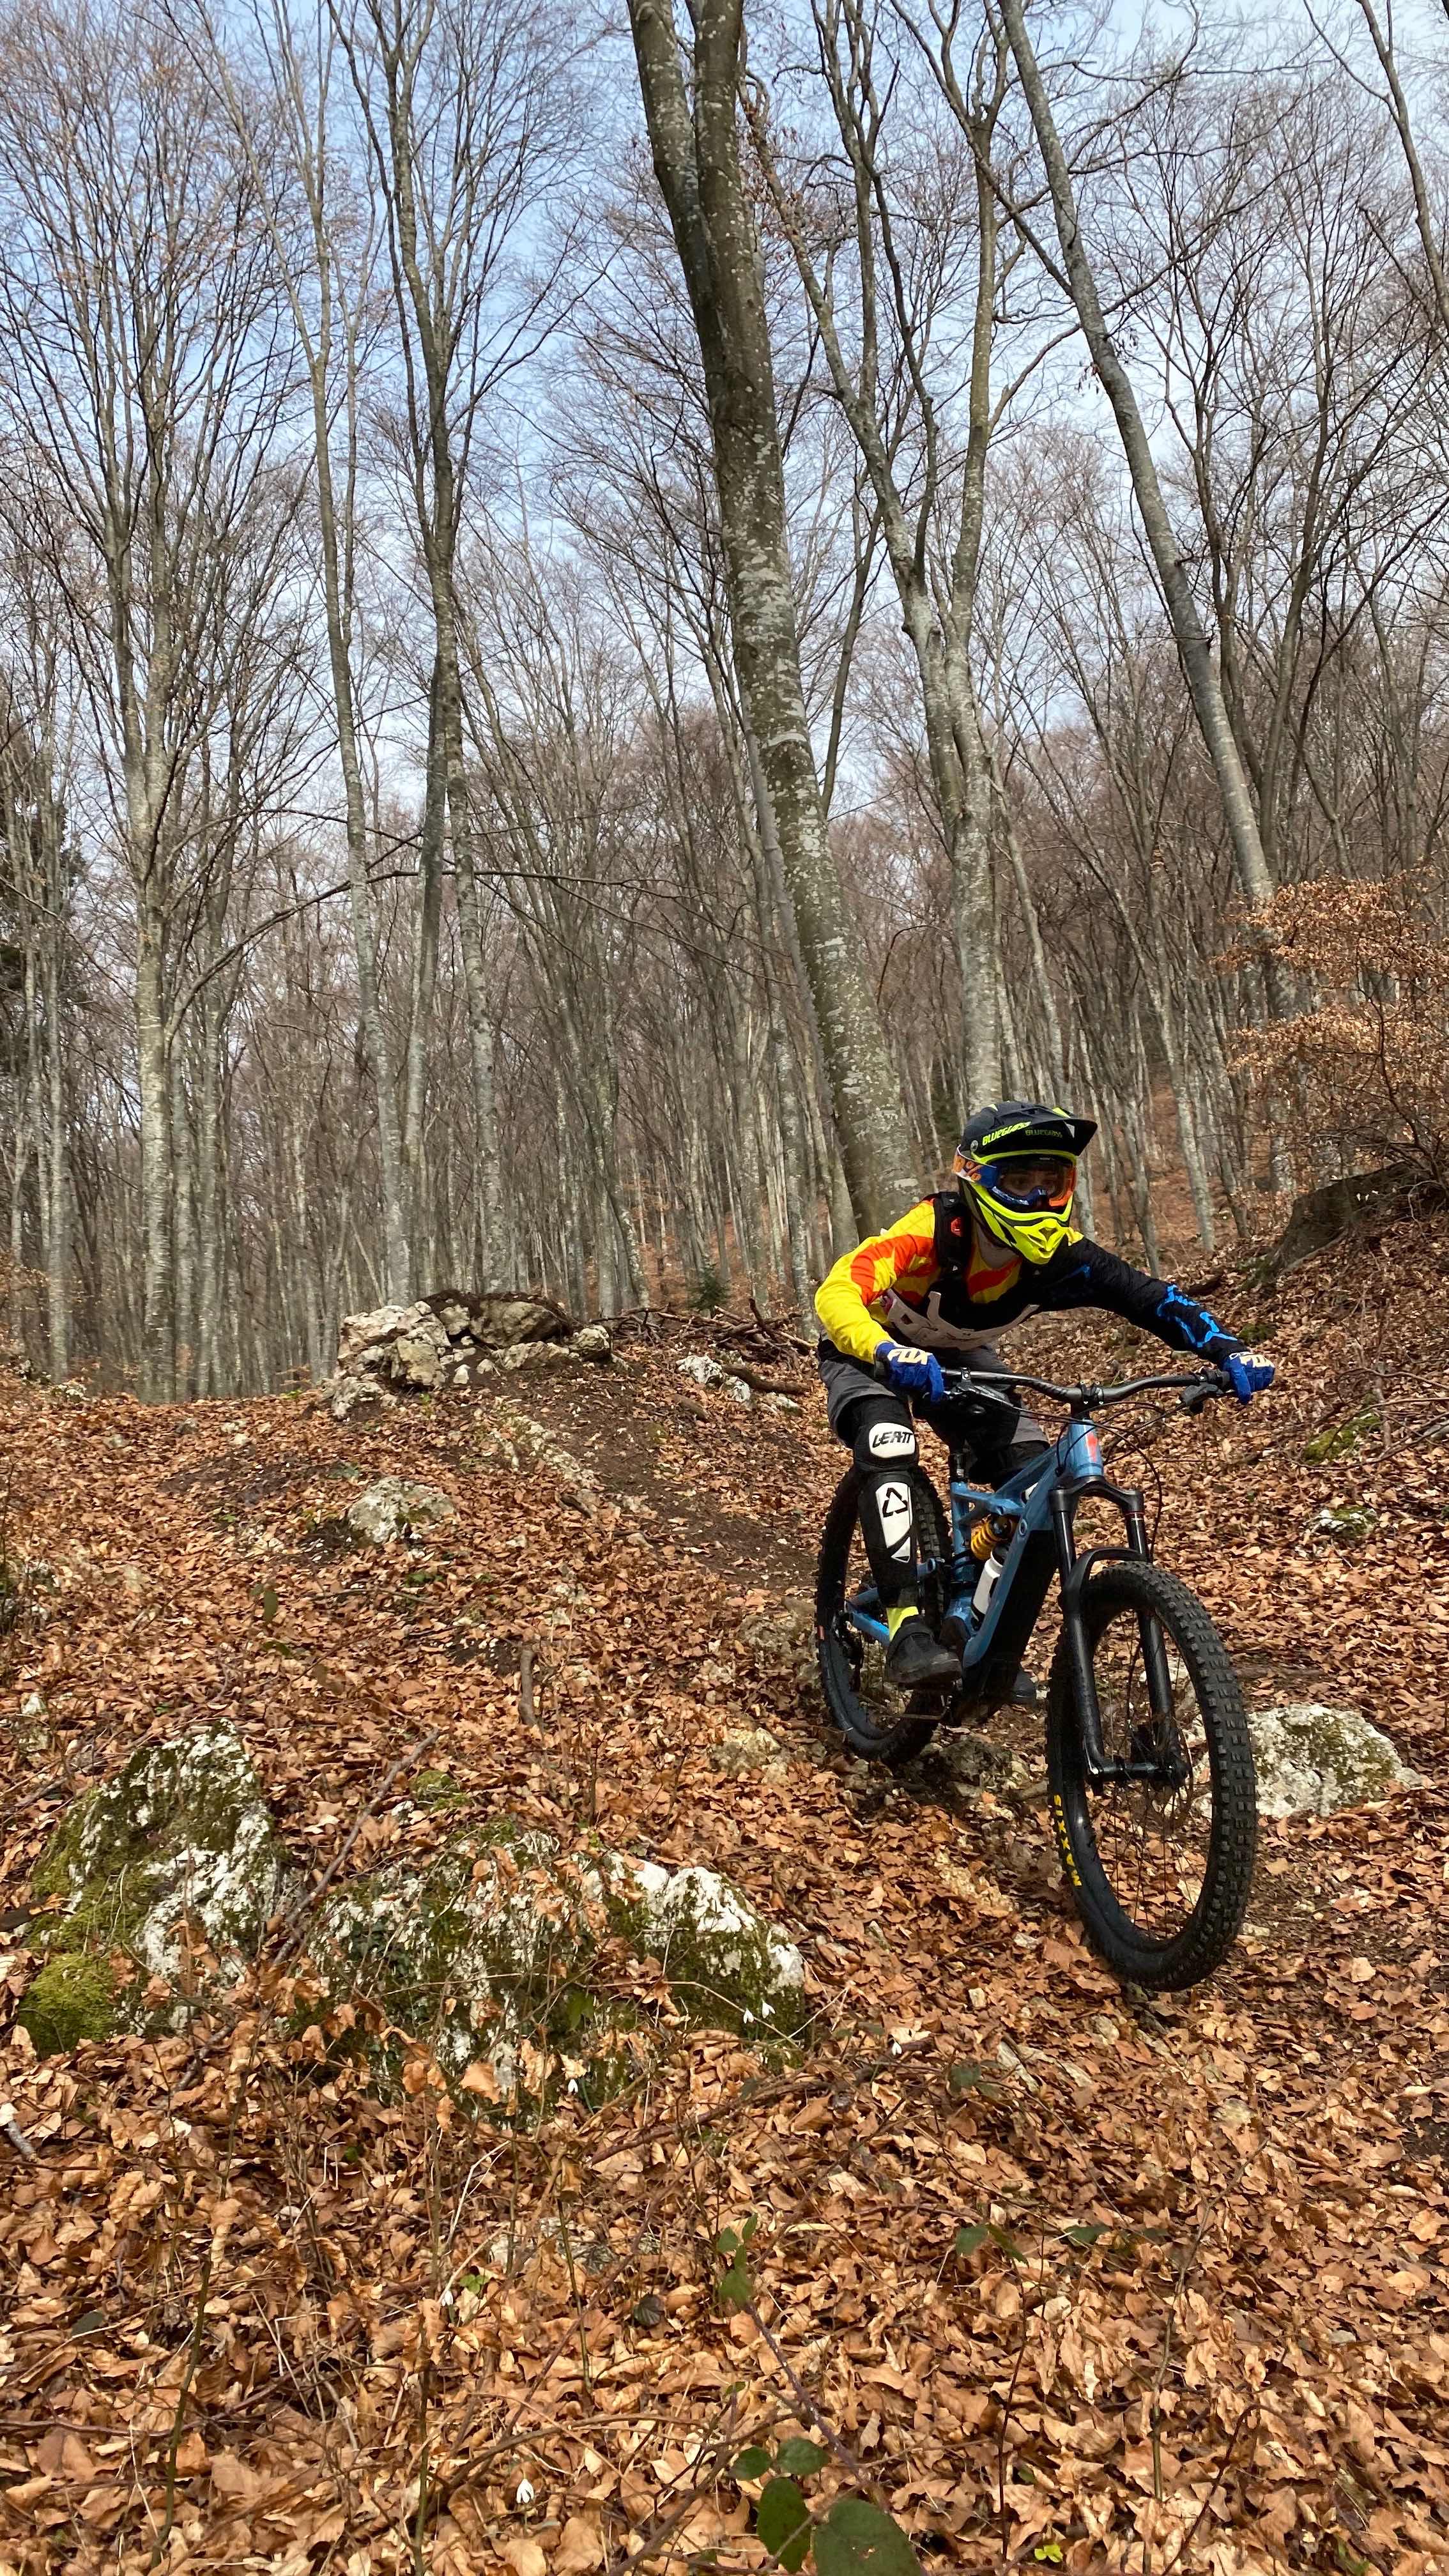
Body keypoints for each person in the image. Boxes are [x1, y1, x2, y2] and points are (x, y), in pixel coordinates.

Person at [814, 1101, 1274, 1690]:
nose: (1036, 1198)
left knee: (1038, 1486)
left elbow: (1150, 1298)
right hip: (869, 1347)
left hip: (959, 1356)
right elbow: (838, 1290)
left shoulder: (1062, 1256)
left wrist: (1229, 1350)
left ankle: (977, 1630)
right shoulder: (932, 1232)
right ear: (977, 1179)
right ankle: (907, 1629)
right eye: (1018, 1181)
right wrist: (884, 1350)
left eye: (1049, 1182)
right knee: (887, 1440)